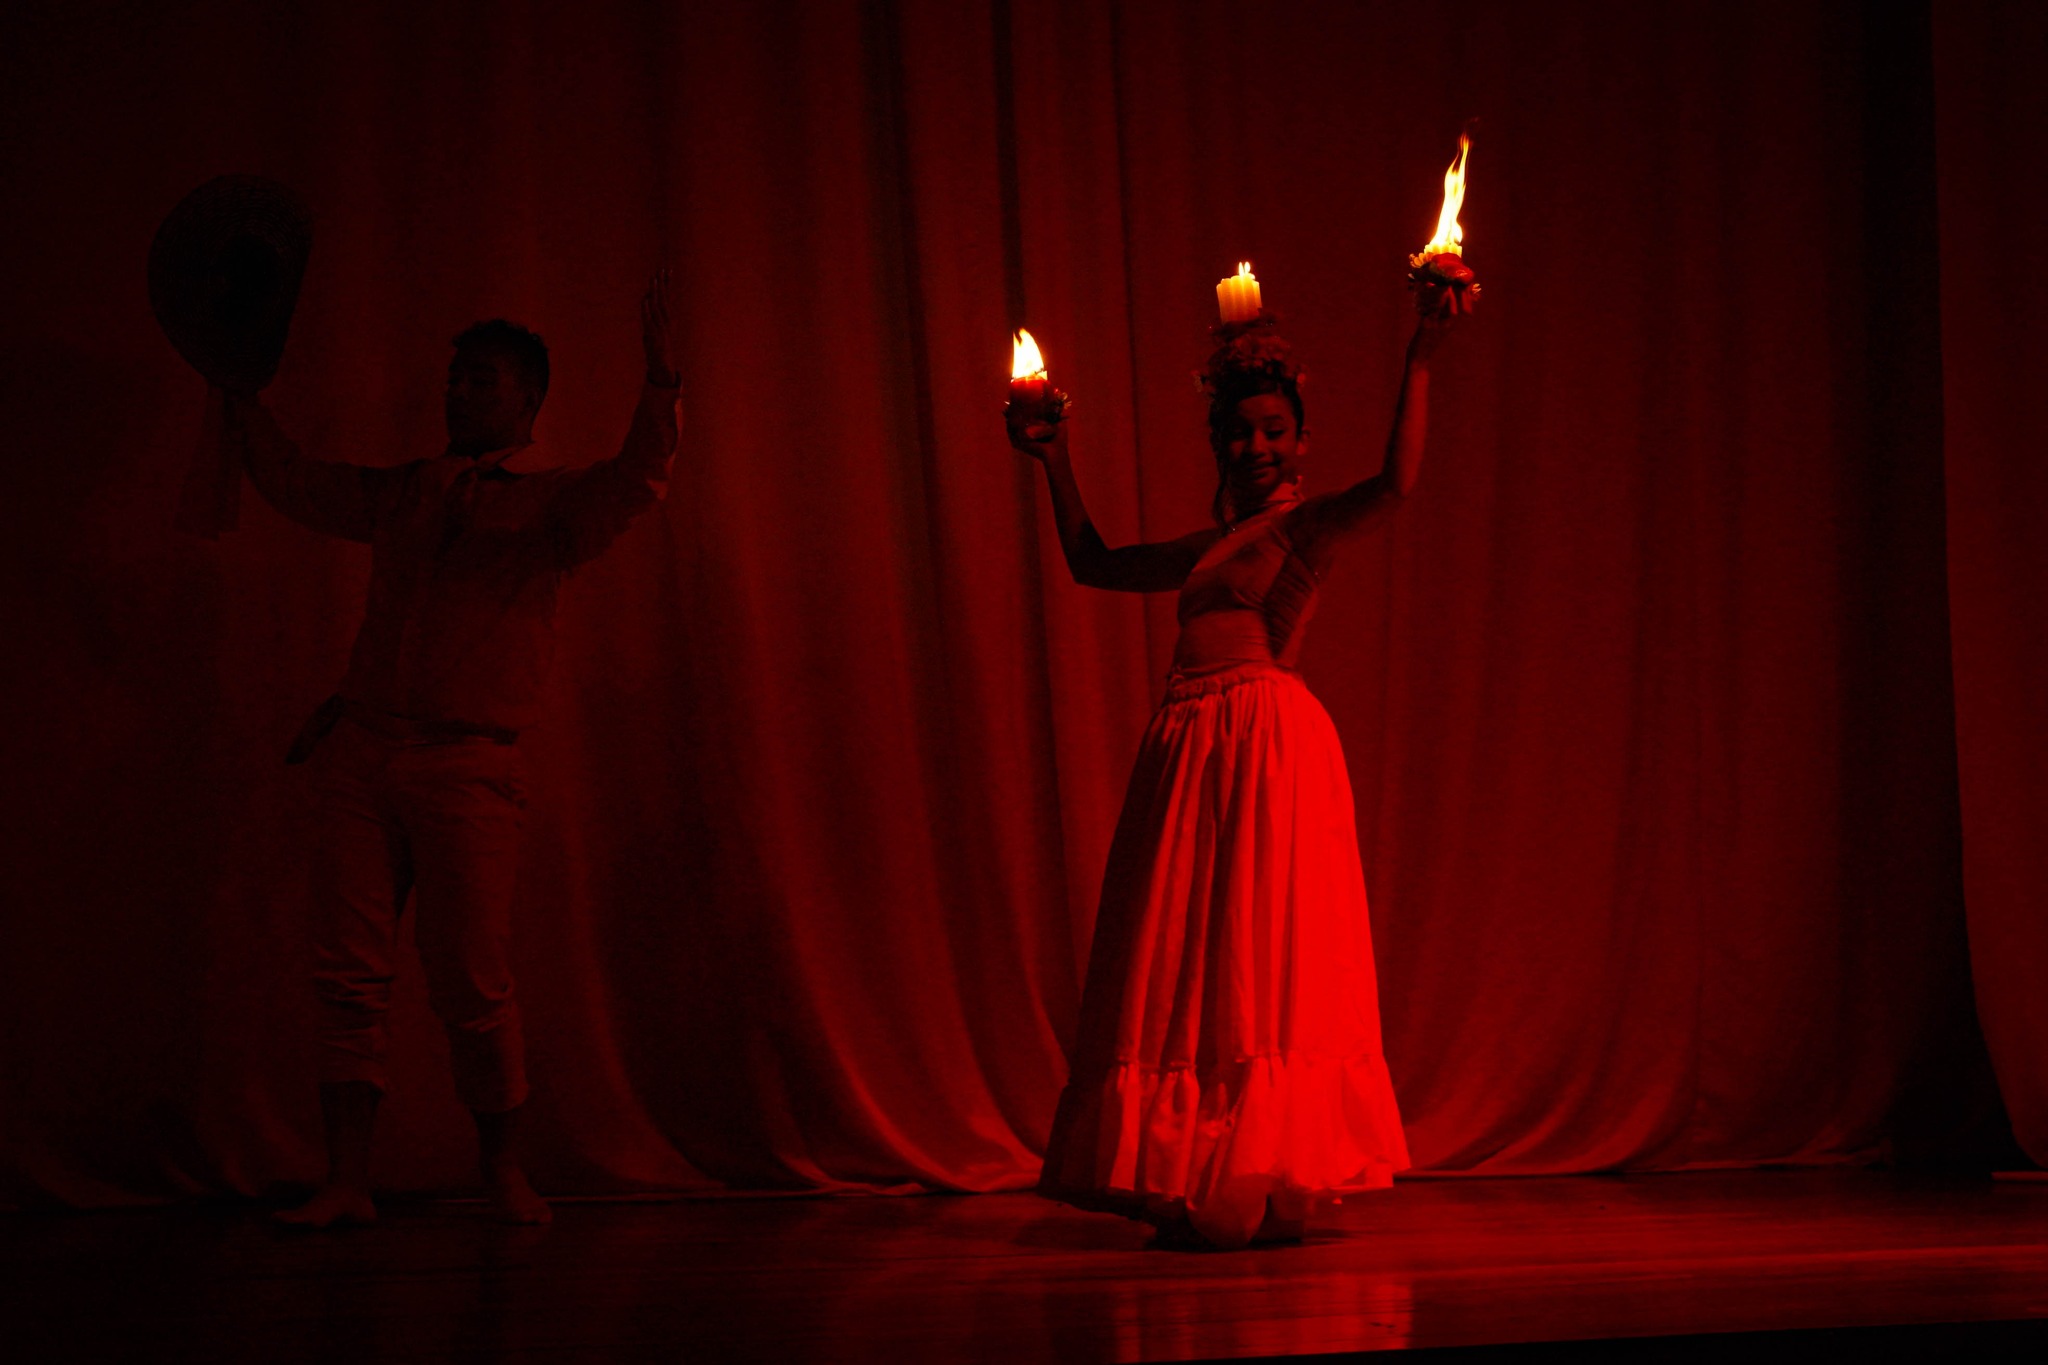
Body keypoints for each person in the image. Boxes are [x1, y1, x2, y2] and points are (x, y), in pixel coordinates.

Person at [219, 272, 683, 1227]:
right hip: (362, 752)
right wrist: (240, 398)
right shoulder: (404, 491)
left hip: (468, 762)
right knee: (348, 975)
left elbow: (636, 479)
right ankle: (347, 1179)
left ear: (529, 399)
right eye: (456, 377)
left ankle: (502, 1171)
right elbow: (296, 482)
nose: (460, 392)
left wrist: (662, 384)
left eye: (483, 379)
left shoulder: (552, 506)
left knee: (473, 978)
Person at [1013, 289, 1464, 1249]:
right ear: (1219, 442)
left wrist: (1420, 350)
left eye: (1274, 431)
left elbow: (1396, 484)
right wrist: (1055, 460)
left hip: (1260, 739)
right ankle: (1203, 1163)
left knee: (1258, 950)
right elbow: (1094, 562)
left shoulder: (1304, 528)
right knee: (1195, 952)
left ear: (1300, 441)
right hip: (1192, 743)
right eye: (1240, 432)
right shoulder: (1211, 546)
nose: (1256, 447)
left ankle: (1261, 1160)